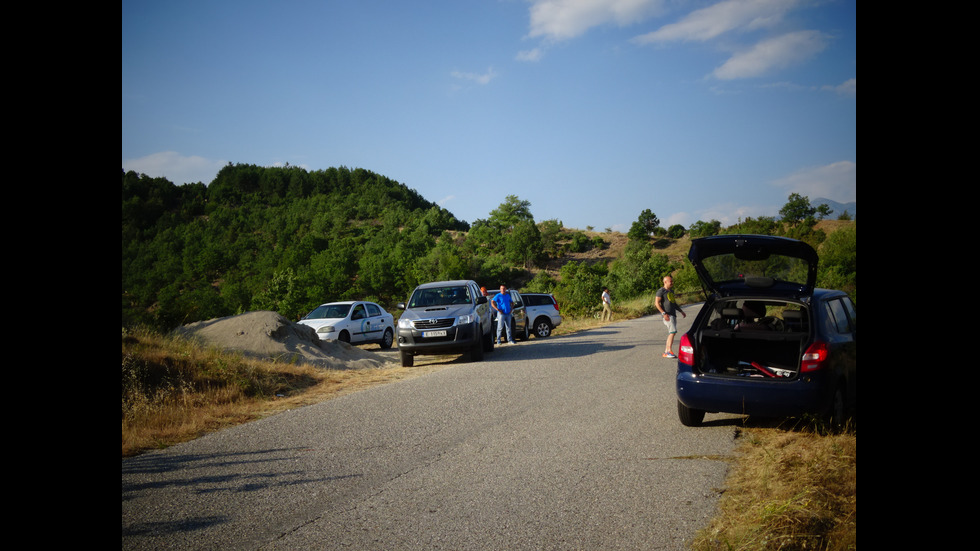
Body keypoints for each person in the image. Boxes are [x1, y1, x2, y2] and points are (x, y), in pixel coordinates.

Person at [655, 275, 686, 358]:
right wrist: (663, 313)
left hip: (673, 314)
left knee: (672, 332)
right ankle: (668, 351)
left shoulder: (671, 291)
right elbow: (656, 303)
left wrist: (681, 311)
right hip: (667, 314)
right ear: (665, 282)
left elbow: (673, 303)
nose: (672, 282)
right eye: (670, 281)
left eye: (672, 281)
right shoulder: (661, 291)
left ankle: (666, 351)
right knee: (673, 332)